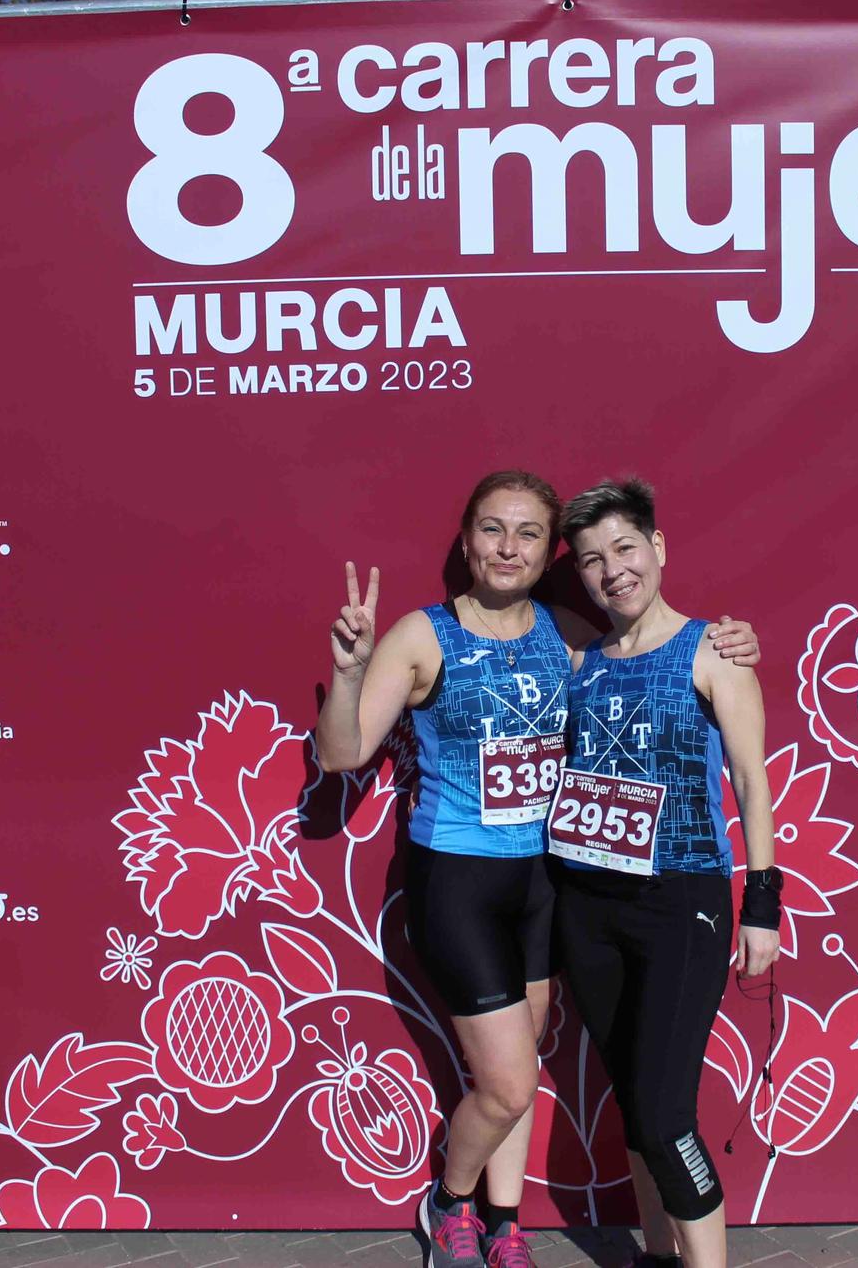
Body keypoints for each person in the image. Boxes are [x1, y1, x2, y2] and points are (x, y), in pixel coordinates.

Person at [317, 471, 758, 1268]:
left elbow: (649, 648)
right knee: (512, 1081)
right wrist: (350, 672)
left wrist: (730, 642)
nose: (508, 547)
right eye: (492, 529)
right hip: (460, 881)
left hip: (551, 885)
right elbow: (344, 753)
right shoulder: (423, 634)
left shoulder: (569, 633)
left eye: (527, 533)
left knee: (535, 1069)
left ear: (546, 551)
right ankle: (447, 1203)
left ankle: (505, 1220)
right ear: (465, 540)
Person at [548, 479, 781, 1268]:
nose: (612, 570)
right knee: (632, 1105)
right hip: (589, 909)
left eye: (623, 548)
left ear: (658, 547)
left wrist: (762, 903)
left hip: (684, 902)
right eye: (590, 560)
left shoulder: (715, 649)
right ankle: (656, 1254)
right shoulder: (580, 661)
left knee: (664, 1113)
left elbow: (751, 780)